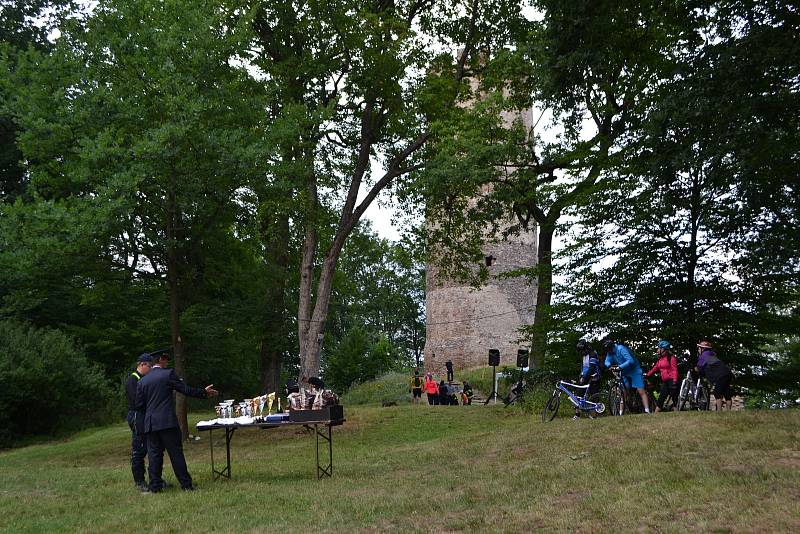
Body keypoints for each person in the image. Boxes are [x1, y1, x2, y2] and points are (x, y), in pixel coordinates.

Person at [135, 350, 218, 492]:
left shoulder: (142, 381)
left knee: (154, 455)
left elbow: (139, 405)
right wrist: (203, 392)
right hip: (167, 421)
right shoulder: (168, 374)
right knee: (176, 454)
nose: (167, 361)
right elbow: (184, 390)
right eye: (166, 359)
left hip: (151, 424)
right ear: (160, 360)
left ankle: (154, 487)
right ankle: (186, 485)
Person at [125, 353, 153, 491]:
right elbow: (136, 402)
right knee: (139, 449)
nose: (151, 369)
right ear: (142, 364)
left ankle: (155, 478)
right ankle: (139, 481)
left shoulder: (145, 379)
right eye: (150, 366)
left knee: (152, 448)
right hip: (137, 417)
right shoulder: (133, 380)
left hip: (146, 416)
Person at [603, 338, 651, 414]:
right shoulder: (609, 352)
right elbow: (607, 360)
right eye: (607, 350)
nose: (609, 352)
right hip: (624, 371)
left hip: (634, 369)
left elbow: (630, 360)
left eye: (609, 349)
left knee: (640, 390)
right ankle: (621, 413)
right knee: (623, 392)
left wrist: (620, 367)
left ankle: (647, 410)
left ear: (612, 347)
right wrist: (609, 366)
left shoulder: (621, 349)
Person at [695, 340, 733, 411]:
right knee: (726, 392)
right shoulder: (712, 354)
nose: (698, 350)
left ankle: (719, 411)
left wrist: (694, 369)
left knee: (717, 392)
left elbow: (699, 366)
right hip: (728, 373)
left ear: (703, 349)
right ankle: (729, 411)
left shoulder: (704, 355)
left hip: (721, 375)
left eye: (699, 348)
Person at [645, 340, 679, 412]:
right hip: (665, 381)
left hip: (672, 380)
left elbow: (674, 370)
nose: (657, 350)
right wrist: (647, 375)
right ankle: (655, 415)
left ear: (663, 349)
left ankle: (677, 412)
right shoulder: (660, 359)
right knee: (661, 398)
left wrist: (675, 381)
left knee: (674, 397)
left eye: (659, 348)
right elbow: (655, 368)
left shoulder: (671, 358)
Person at [574, 340, 602, 419]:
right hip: (585, 377)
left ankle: (596, 414)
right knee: (578, 395)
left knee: (594, 396)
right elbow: (583, 367)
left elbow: (591, 368)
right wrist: (581, 376)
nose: (581, 353)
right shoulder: (584, 356)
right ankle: (577, 414)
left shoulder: (592, 354)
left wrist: (584, 378)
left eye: (581, 351)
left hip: (594, 377)